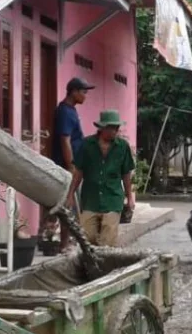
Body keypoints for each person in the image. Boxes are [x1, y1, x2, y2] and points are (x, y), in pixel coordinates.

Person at [71, 109, 136, 247]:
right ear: (102, 128)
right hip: (90, 199)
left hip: (112, 198)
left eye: (117, 128)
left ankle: (105, 266)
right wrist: (70, 194)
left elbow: (126, 174)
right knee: (87, 238)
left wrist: (129, 197)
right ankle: (92, 264)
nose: (115, 131)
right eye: (112, 127)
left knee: (108, 241)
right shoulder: (87, 145)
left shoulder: (122, 147)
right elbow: (78, 172)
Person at [51, 77, 94, 248]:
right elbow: (65, 140)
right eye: (83, 92)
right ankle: (63, 243)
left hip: (76, 164)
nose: (85, 96)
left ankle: (67, 240)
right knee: (68, 204)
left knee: (72, 205)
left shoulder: (71, 110)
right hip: (68, 165)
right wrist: (70, 165)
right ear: (74, 92)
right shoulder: (65, 112)